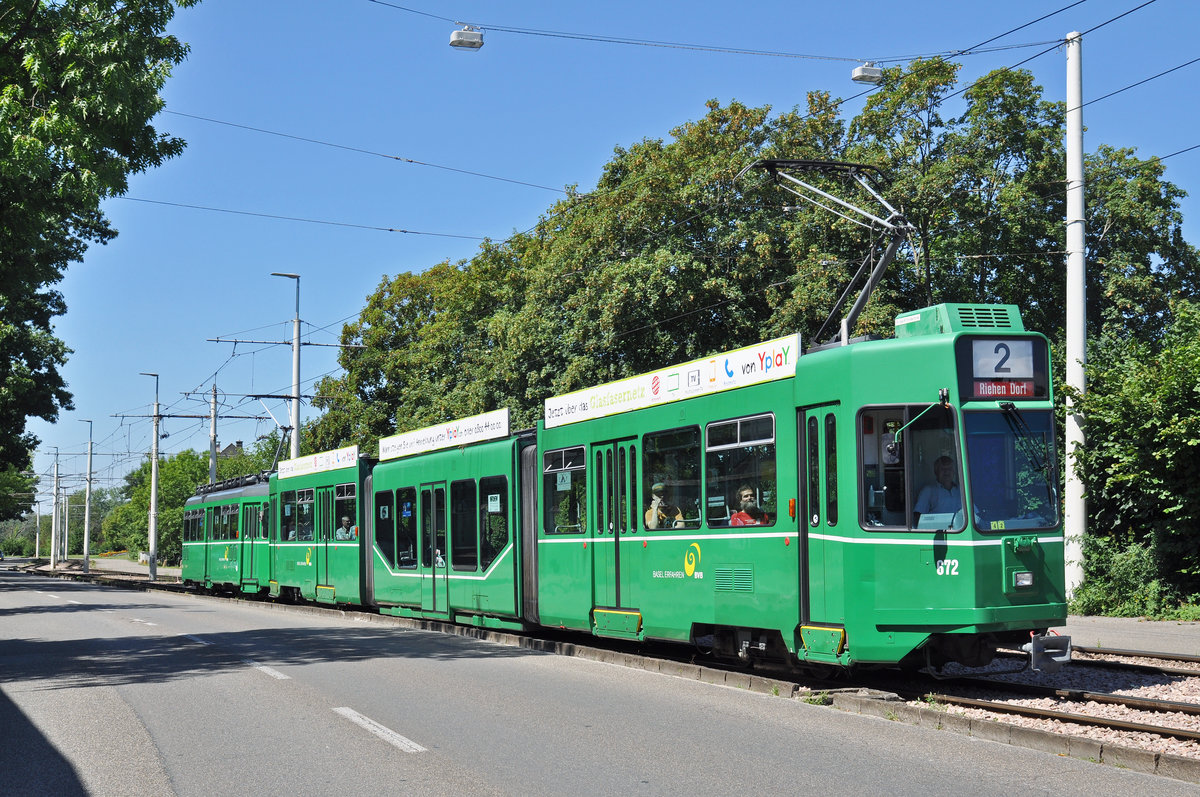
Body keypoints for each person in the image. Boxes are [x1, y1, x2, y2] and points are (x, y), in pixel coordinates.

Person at [913, 455, 963, 523]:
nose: (946, 472)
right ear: (936, 472)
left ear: (954, 471)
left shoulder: (962, 491)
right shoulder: (928, 491)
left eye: (949, 469)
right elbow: (918, 517)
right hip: (937, 529)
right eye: (942, 469)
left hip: (960, 528)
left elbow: (974, 515)